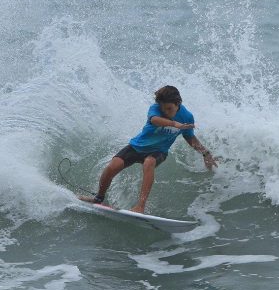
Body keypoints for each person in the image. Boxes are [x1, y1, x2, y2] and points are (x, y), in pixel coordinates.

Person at [79, 85, 218, 213]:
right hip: (137, 146)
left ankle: (140, 206)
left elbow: (190, 137)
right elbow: (154, 120)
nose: (166, 111)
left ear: (178, 104)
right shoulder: (155, 108)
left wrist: (205, 153)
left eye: (169, 108)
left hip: (159, 151)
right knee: (113, 166)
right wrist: (175, 124)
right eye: (163, 108)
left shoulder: (187, 117)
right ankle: (98, 198)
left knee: (149, 163)